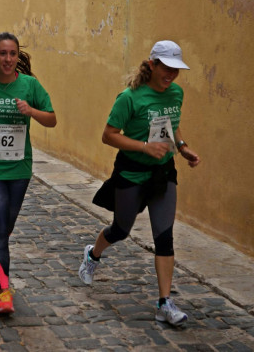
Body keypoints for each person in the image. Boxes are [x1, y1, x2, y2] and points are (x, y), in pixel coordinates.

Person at [78, 40, 200, 326]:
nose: (170, 75)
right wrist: (144, 147)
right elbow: (109, 135)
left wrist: (182, 147)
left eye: (175, 70)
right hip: (131, 172)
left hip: (163, 173)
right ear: (152, 65)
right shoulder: (129, 98)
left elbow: (173, 122)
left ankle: (164, 303)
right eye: (165, 68)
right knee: (121, 229)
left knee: (164, 237)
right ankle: (93, 254)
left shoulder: (176, 93)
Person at [0, 32, 56, 315]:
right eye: (2, 54)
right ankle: (5, 291)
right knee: (0, 227)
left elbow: (52, 119)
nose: (8, 59)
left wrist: (31, 111)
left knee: (5, 225)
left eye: (13, 54)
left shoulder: (30, 85)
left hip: (19, 167)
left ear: (18, 56)